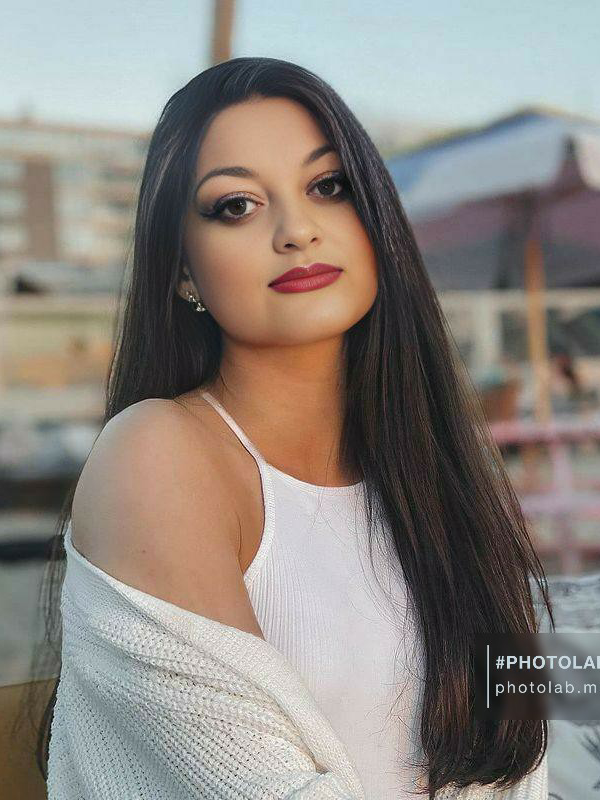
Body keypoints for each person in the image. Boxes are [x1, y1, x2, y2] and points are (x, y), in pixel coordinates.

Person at [25, 57, 552, 799]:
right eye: (236, 205)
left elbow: (520, 749)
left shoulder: (442, 474)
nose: (298, 230)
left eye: (328, 186)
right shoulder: (157, 455)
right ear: (182, 271)